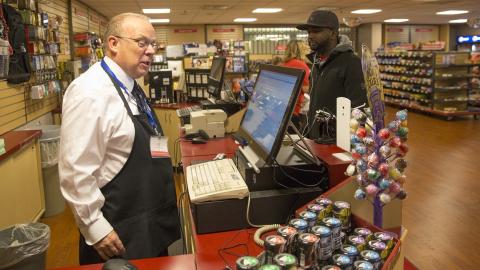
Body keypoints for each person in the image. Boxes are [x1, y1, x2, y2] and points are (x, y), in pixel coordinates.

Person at [59, 13, 180, 264]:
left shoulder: (131, 85)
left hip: (151, 220)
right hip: (119, 233)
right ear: (113, 44)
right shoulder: (89, 92)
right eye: (141, 42)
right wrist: (95, 228)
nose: (150, 51)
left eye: (153, 44)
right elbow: (75, 172)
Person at [297, 10, 368, 140]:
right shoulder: (316, 63)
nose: (310, 36)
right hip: (316, 143)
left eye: (316, 31)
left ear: (333, 33)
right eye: (309, 32)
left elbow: (360, 110)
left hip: (337, 147)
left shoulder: (351, 63)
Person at [280, 40, 311, 131]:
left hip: (282, 110)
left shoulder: (285, 64)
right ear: (300, 50)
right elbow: (306, 89)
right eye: (305, 48)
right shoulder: (301, 65)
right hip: (293, 112)